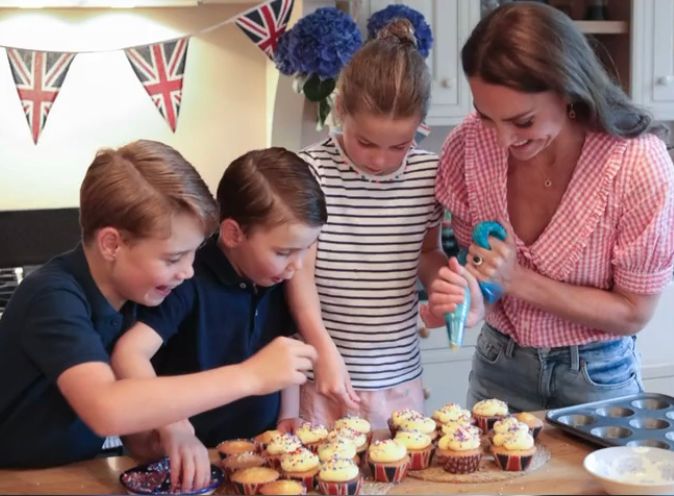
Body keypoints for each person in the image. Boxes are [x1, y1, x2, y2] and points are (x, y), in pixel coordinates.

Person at [0, 141, 316, 473]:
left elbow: (135, 436)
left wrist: (164, 432)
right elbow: (106, 408)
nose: (189, 271)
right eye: (173, 258)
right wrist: (250, 376)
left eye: (193, 253)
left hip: (72, 470)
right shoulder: (52, 297)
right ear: (112, 244)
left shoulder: (134, 298)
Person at [425, 2, 674, 412]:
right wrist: (467, 297)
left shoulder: (636, 164)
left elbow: (633, 312)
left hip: (597, 379)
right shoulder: (468, 145)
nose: (503, 139)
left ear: (569, 90)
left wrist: (517, 280)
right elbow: (483, 278)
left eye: (523, 122)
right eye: (487, 117)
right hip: (497, 365)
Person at [286, 19, 483, 429]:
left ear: (420, 127)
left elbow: (427, 252)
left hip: (398, 380)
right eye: (365, 142)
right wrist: (323, 349)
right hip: (323, 377)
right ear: (341, 110)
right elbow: (298, 271)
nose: (380, 160)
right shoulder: (310, 171)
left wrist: (444, 284)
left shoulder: (429, 174)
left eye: (399, 145)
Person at [111, 147, 327, 490]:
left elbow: (287, 353)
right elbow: (128, 353)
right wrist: (174, 425)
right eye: (284, 252)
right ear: (233, 234)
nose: (296, 265)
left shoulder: (276, 279)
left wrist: (289, 414)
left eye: (306, 249)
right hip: (189, 461)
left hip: (258, 456)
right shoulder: (187, 278)